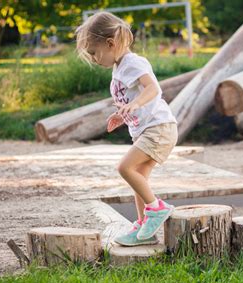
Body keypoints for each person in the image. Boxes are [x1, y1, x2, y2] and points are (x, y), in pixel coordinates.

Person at [75, 12, 178, 246]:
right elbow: (134, 99)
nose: (92, 58)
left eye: (93, 52)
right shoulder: (120, 66)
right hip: (148, 129)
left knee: (124, 168)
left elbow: (153, 89)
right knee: (138, 178)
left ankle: (157, 209)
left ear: (110, 44)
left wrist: (136, 104)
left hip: (159, 128)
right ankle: (144, 227)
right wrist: (124, 114)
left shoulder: (133, 62)